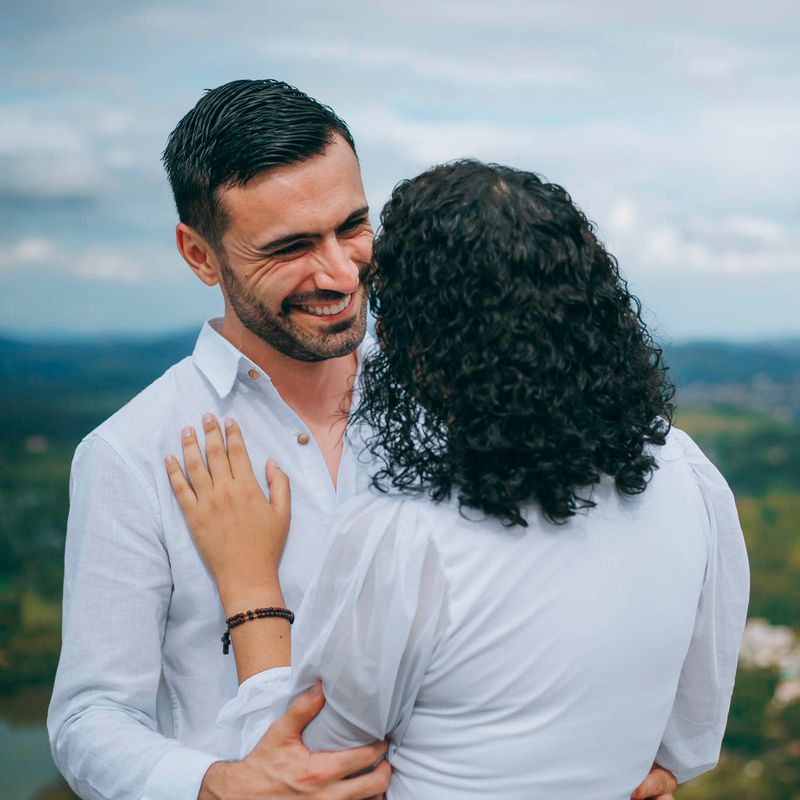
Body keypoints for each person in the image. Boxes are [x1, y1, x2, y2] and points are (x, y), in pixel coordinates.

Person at [48, 79, 679, 800]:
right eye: (290, 246)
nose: (342, 272)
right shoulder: (130, 453)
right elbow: (90, 715)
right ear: (200, 255)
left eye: (352, 225)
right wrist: (216, 785)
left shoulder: (463, 402)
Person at [166, 161, 750, 799]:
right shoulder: (688, 476)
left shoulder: (408, 537)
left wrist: (250, 584)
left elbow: (299, 779)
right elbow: (685, 744)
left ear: (423, 345)